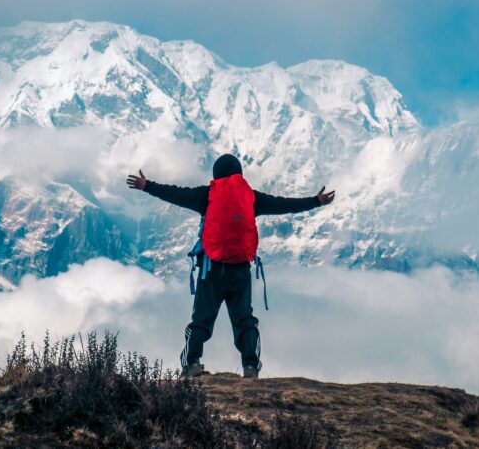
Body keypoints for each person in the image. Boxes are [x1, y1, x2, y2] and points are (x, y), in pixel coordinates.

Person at [127, 154, 335, 379]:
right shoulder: (251, 198)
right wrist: (315, 201)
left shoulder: (206, 195)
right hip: (240, 270)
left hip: (211, 269)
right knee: (244, 321)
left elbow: (176, 193)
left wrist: (146, 186)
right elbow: (284, 204)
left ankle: (191, 365)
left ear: (216, 174)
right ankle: (251, 367)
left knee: (201, 320)